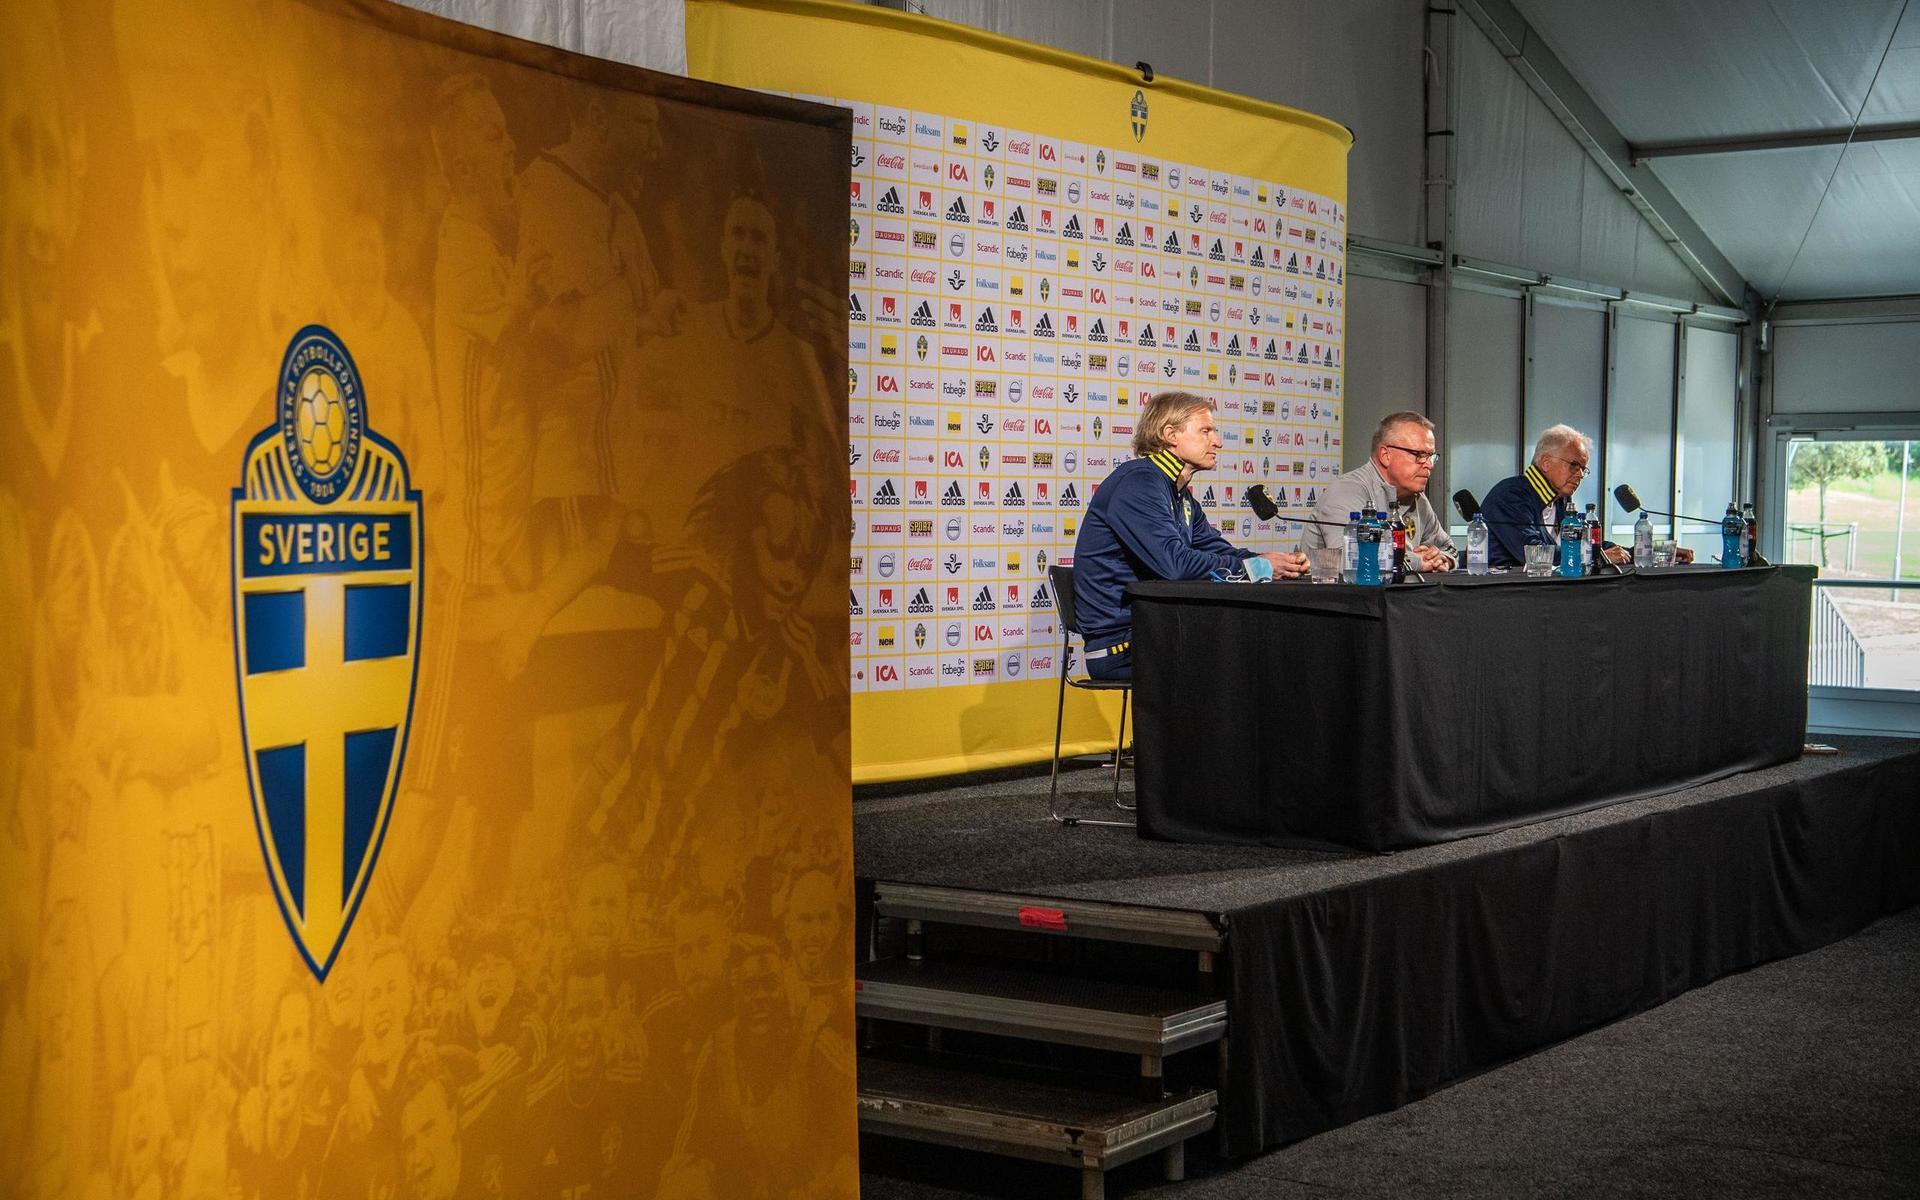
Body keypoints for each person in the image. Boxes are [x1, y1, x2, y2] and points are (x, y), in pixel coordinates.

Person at [1071, 391, 1308, 681]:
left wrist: (1272, 563)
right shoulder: (1139, 484)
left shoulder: (1178, 493)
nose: (1217, 442)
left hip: (1157, 632)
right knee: (1255, 661)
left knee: (1270, 648)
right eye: (1205, 431)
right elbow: (1175, 565)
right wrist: (1257, 567)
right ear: (1170, 434)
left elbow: (1217, 549)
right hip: (1123, 646)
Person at [1304, 411, 1456, 571]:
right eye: (1419, 455)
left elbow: (1449, 548)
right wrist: (1417, 562)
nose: (1429, 465)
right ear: (1385, 455)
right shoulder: (1346, 490)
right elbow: (1350, 559)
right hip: (1337, 594)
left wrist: (1443, 559)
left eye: (1431, 456)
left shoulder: (1418, 499)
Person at [1481, 425, 1632, 569]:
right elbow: (1533, 553)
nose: (1579, 474)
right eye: (1574, 465)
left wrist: (1623, 551)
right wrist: (1596, 556)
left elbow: (1577, 542)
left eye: (1583, 469)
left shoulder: (1560, 498)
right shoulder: (1510, 495)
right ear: (1546, 463)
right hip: (1503, 590)